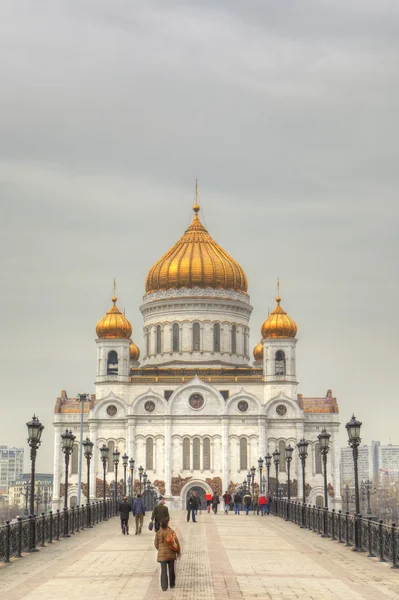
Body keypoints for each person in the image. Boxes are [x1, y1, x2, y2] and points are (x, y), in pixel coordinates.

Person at [154, 517, 180, 591]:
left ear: (161, 525)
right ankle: (172, 584)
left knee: (163, 571)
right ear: (167, 524)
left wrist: (160, 550)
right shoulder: (171, 531)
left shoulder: (158, 533)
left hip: (162, 555)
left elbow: (156, 543)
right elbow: (176, 542)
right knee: (171, 570)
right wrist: (178, 552)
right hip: (171, 554)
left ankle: (164, 587)